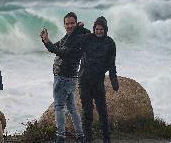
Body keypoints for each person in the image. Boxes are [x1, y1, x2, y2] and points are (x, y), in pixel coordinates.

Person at [40, 12, 90, 143]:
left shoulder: (77, 38)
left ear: (76, 23)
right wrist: (46, 41)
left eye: (72, 23)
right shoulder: (71, 36)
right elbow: (56, 46)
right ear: (64, 25)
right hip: (71, 77)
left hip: (64, 77)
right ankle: (80, 136)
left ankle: (60, 137)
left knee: (59, 107)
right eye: (67, 23)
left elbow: (62, 52)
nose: (69, 26)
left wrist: (46, 41)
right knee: (72, 108)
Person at [75, 16, 119, 143]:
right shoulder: (88, 37)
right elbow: (76, 37)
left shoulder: (110, 43)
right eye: (97, 29)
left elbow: (112, 64)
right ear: (94, 29)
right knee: (87, 112)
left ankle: (107, 139)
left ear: (105, 30)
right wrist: (79, 27)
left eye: (101, 29)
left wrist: (114, 81)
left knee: (102, 111)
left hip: (98, 81)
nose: (99, 31)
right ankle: (88, 139)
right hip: (84, 80)